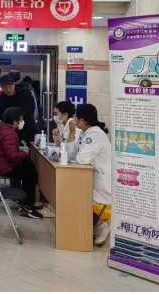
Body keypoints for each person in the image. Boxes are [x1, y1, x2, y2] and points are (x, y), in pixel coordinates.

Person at [68, 104, 112, 246]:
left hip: (100, 177)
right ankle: (97, 224)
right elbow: (71, 155)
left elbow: (81, 159)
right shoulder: (84, 133)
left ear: (82, 119)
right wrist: (71, 134)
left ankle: (102, 224)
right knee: (78, 199)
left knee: (82, 201)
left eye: (76, 117)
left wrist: (77, 156)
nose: (74, 120)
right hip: (89, 176)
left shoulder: (96, 134)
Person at [0, 108, 42, 219]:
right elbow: (12, 156)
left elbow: (7, 149)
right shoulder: (9, 133)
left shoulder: (2, 128)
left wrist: (19, 149)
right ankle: (27, 205)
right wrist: (25, 152)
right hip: (4, 167)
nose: (22, 122)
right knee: (31, 174)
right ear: (15, 122)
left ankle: (25, 201)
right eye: (21, 120)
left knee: (28, 167)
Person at [0, 74, 36, 145]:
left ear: (14, 84)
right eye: (4, 88)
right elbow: (2, 116)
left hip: (28, 127)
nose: (8, 90)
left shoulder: (26, 93)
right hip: (11, 132)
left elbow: (32, 107)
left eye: (9, 86)